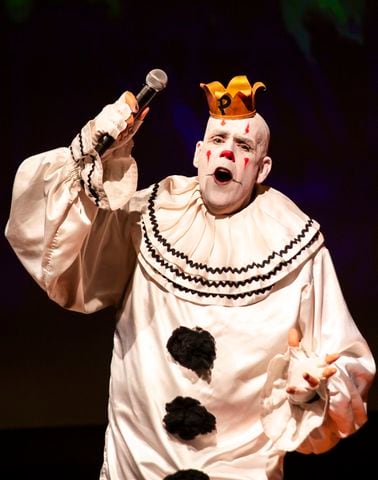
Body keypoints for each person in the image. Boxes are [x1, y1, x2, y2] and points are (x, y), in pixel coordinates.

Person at [5, 74, 375, 480]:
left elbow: (344, 365)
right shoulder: (148, 217)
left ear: (263, 168)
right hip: (138, 462)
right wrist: (96, 153)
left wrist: (311, 389)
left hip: (240, 467)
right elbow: (59, 250)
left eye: (244, 146)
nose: (228, 154)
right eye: (217, 141)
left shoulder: (295, 247)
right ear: (199, 153)